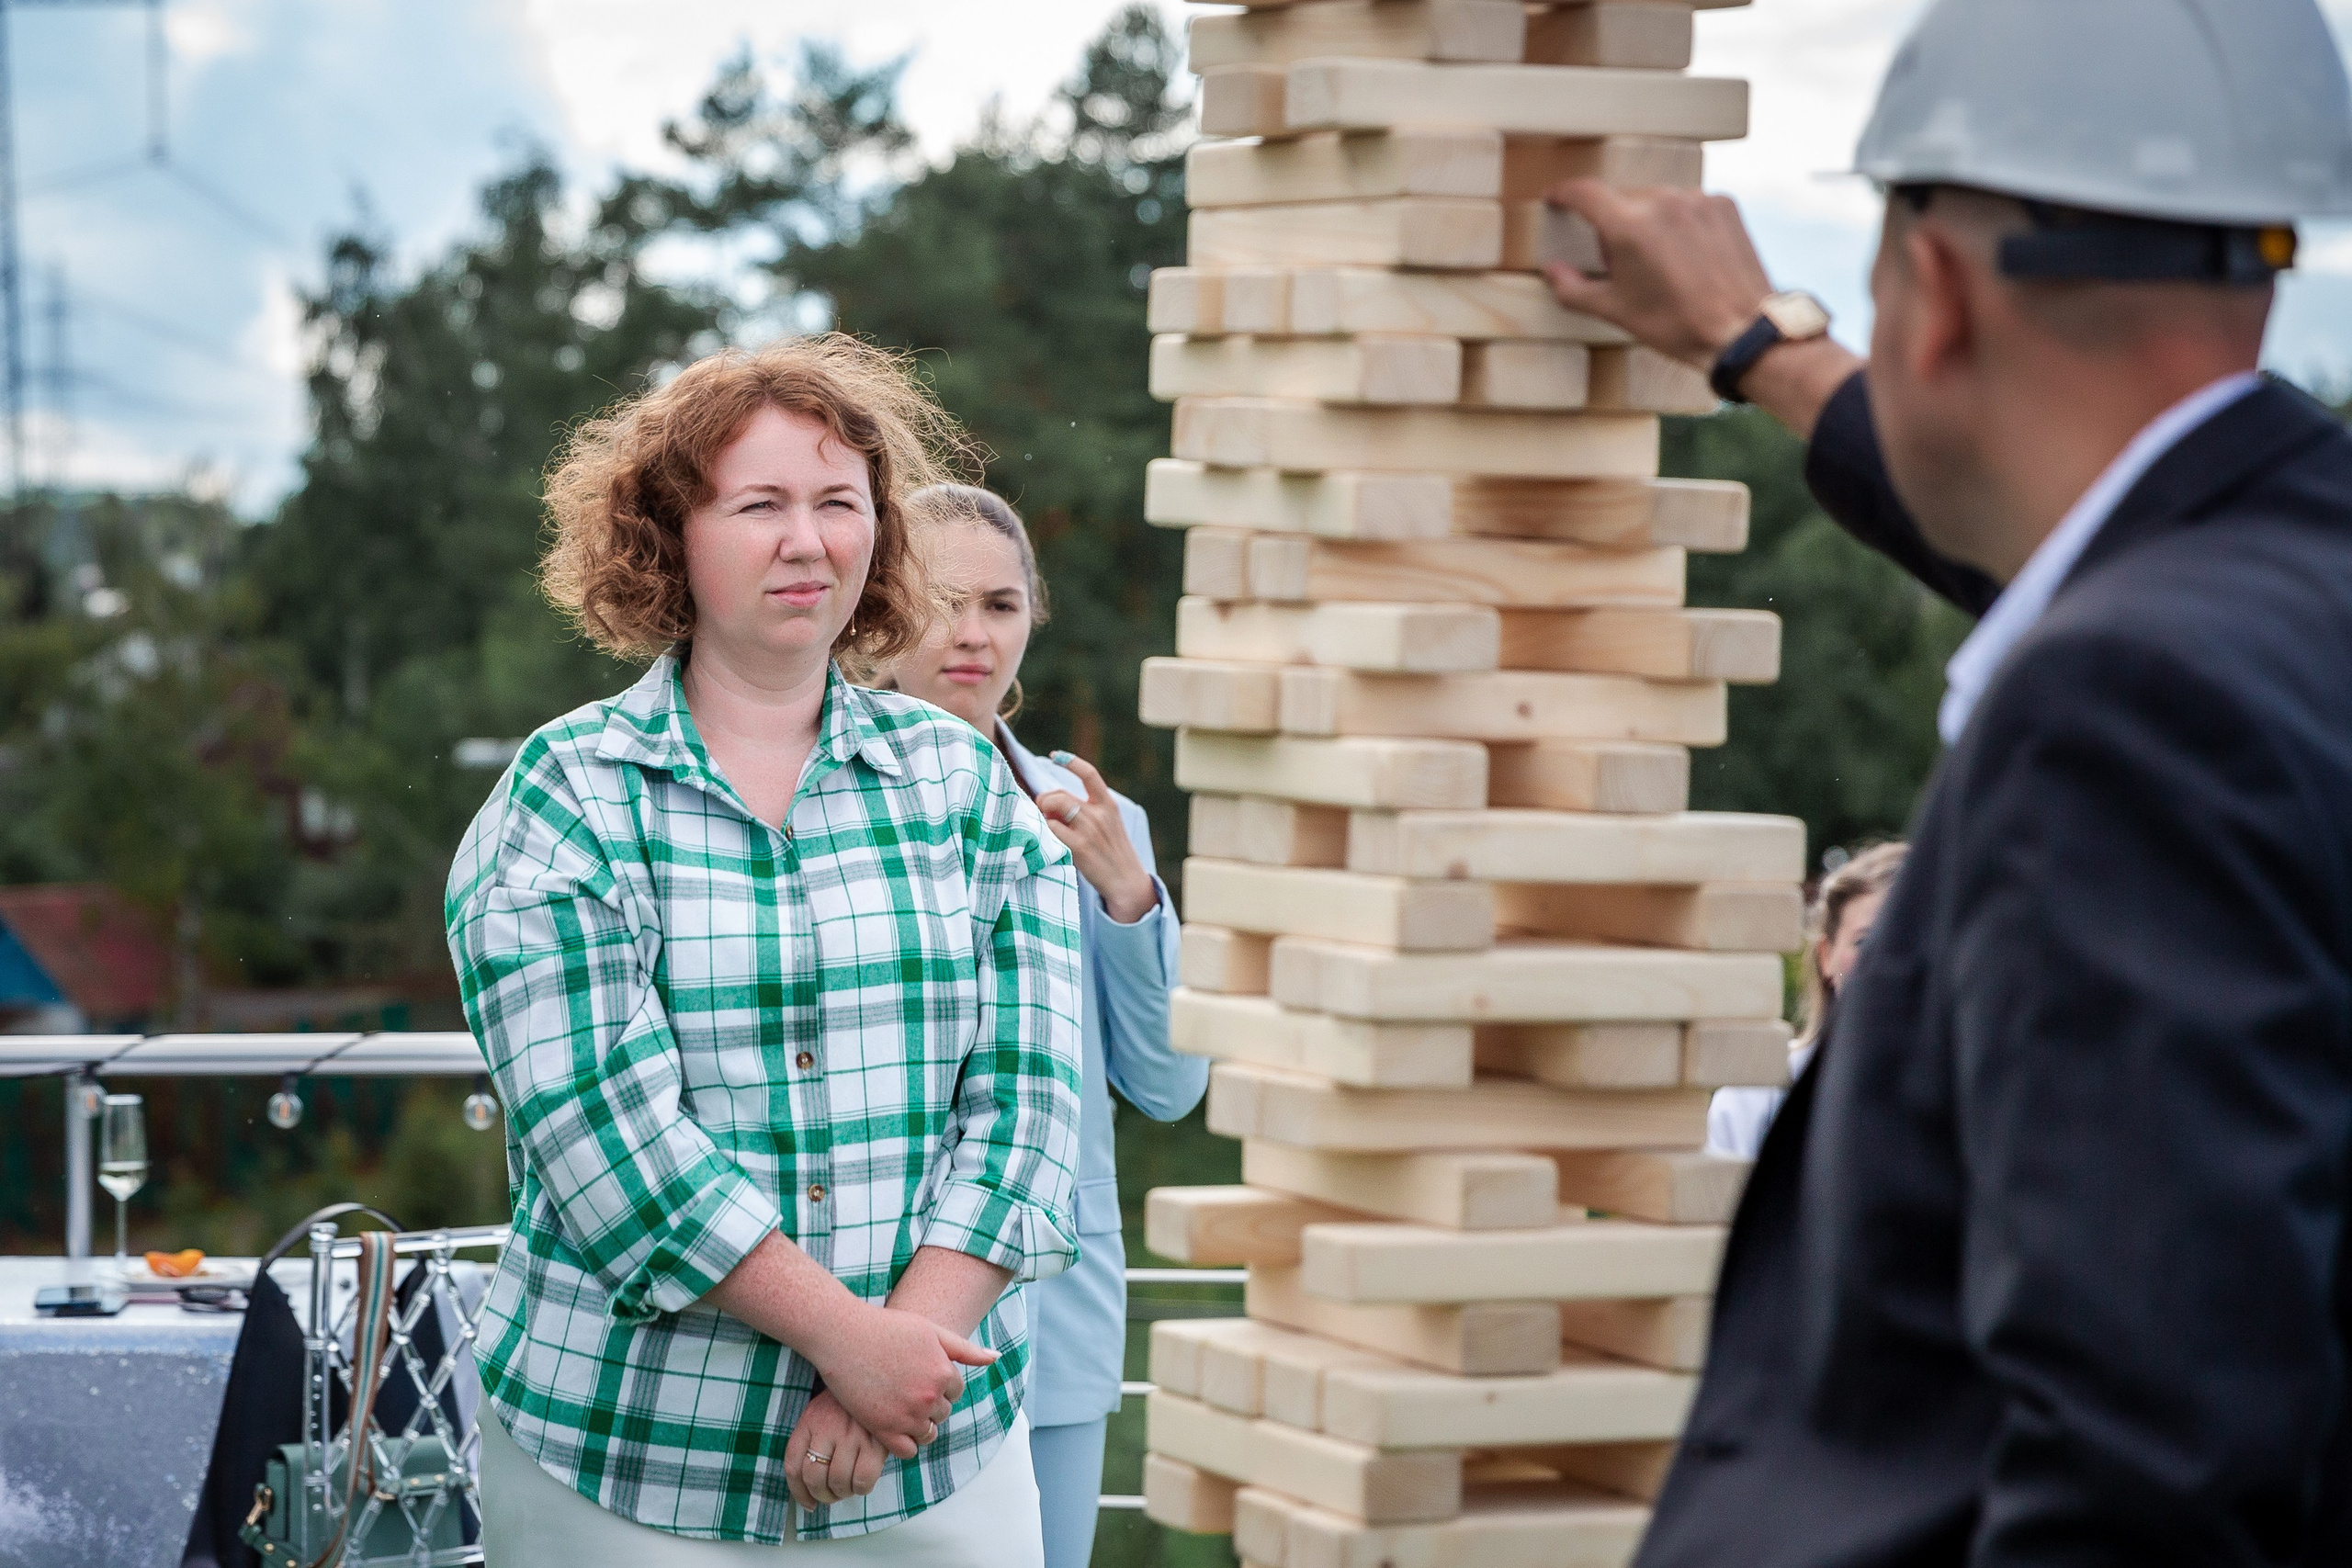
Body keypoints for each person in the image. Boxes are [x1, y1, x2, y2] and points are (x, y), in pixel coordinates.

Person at [1541, 1, 2352, 1561]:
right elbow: (2097, 543)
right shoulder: (2269, 587)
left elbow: (2150, 1469)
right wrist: (1763, 352)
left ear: (1935, 287)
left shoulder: (2128, 712)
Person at [445, 334, 1084, 1563]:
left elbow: (1032, 1106)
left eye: (840, 502)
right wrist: (850, 1339)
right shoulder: (565, 796)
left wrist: (896, 1364)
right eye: (761, 505)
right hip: (627, 1464)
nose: (809, 540)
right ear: (668, 534)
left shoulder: (962, 783)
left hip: (932, 1455)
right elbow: (606, 1146)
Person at [884, 483, 1208, 1568]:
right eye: (940, 601)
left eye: (1001, 605)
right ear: (874, 602)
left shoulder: (1099, 817)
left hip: (1055, 1311)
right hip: (869, 1308)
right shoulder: (804, 793)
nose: (973, 634)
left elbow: (1171, 1087)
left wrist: (1127, 896)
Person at [1705, 842, 1905, 1160]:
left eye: (1909, 942)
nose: (1886, 963)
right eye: (1865, 942)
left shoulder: (1984, 1099)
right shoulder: (1760, 1093)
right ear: (1826, 957)